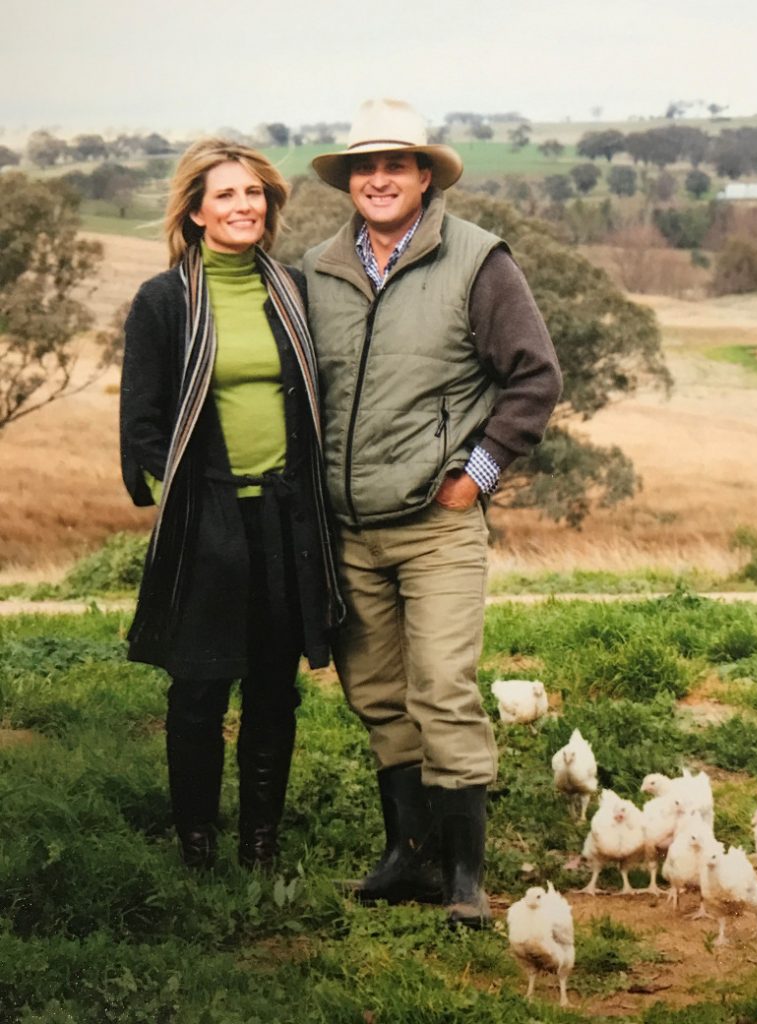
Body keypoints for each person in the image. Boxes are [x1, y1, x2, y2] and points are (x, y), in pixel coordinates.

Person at [303, 98, 562, 928]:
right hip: (345, 529)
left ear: (423, 176)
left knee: (443, 689)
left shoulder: (478, 261)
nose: (378, 179)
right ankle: (406, 859)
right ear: (349, 182)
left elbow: (536, 376)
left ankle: (463, 879)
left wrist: (475, 477)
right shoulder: (315, 271)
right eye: (363, 168)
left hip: (437, 524)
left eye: (395, 166)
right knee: (378, 695)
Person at [120, 139, 344, 872]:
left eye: (254, 194)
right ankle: (196, 843)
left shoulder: (291, 289)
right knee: (199, 687)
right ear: (193, 212)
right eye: (226, 195)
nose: (244, 206)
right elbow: (145, 425)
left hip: (284, 517)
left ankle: (260, 841)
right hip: (206, 522)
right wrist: (186, 497)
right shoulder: (164, 301)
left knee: (273, 689)